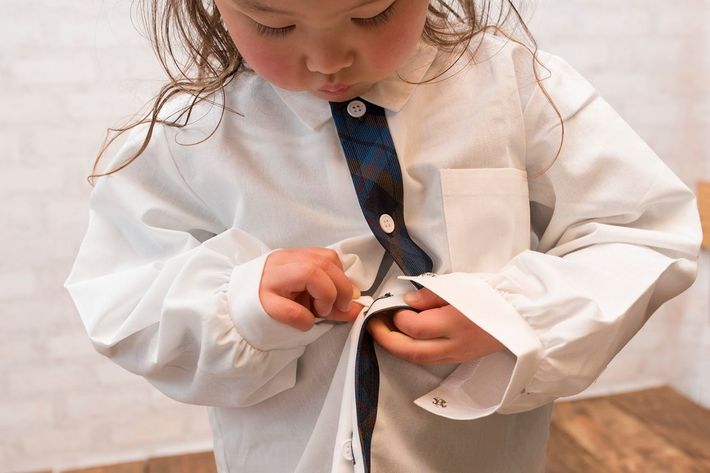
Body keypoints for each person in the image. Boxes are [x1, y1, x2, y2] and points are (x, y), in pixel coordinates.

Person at [65, 0, 701, 472]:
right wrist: (242, 305)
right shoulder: (191, 137)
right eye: (274, 25)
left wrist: (514, 314)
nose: (327, 60)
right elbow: (124, 298)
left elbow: (641, 231)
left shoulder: (516, 87)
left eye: (372, 14)